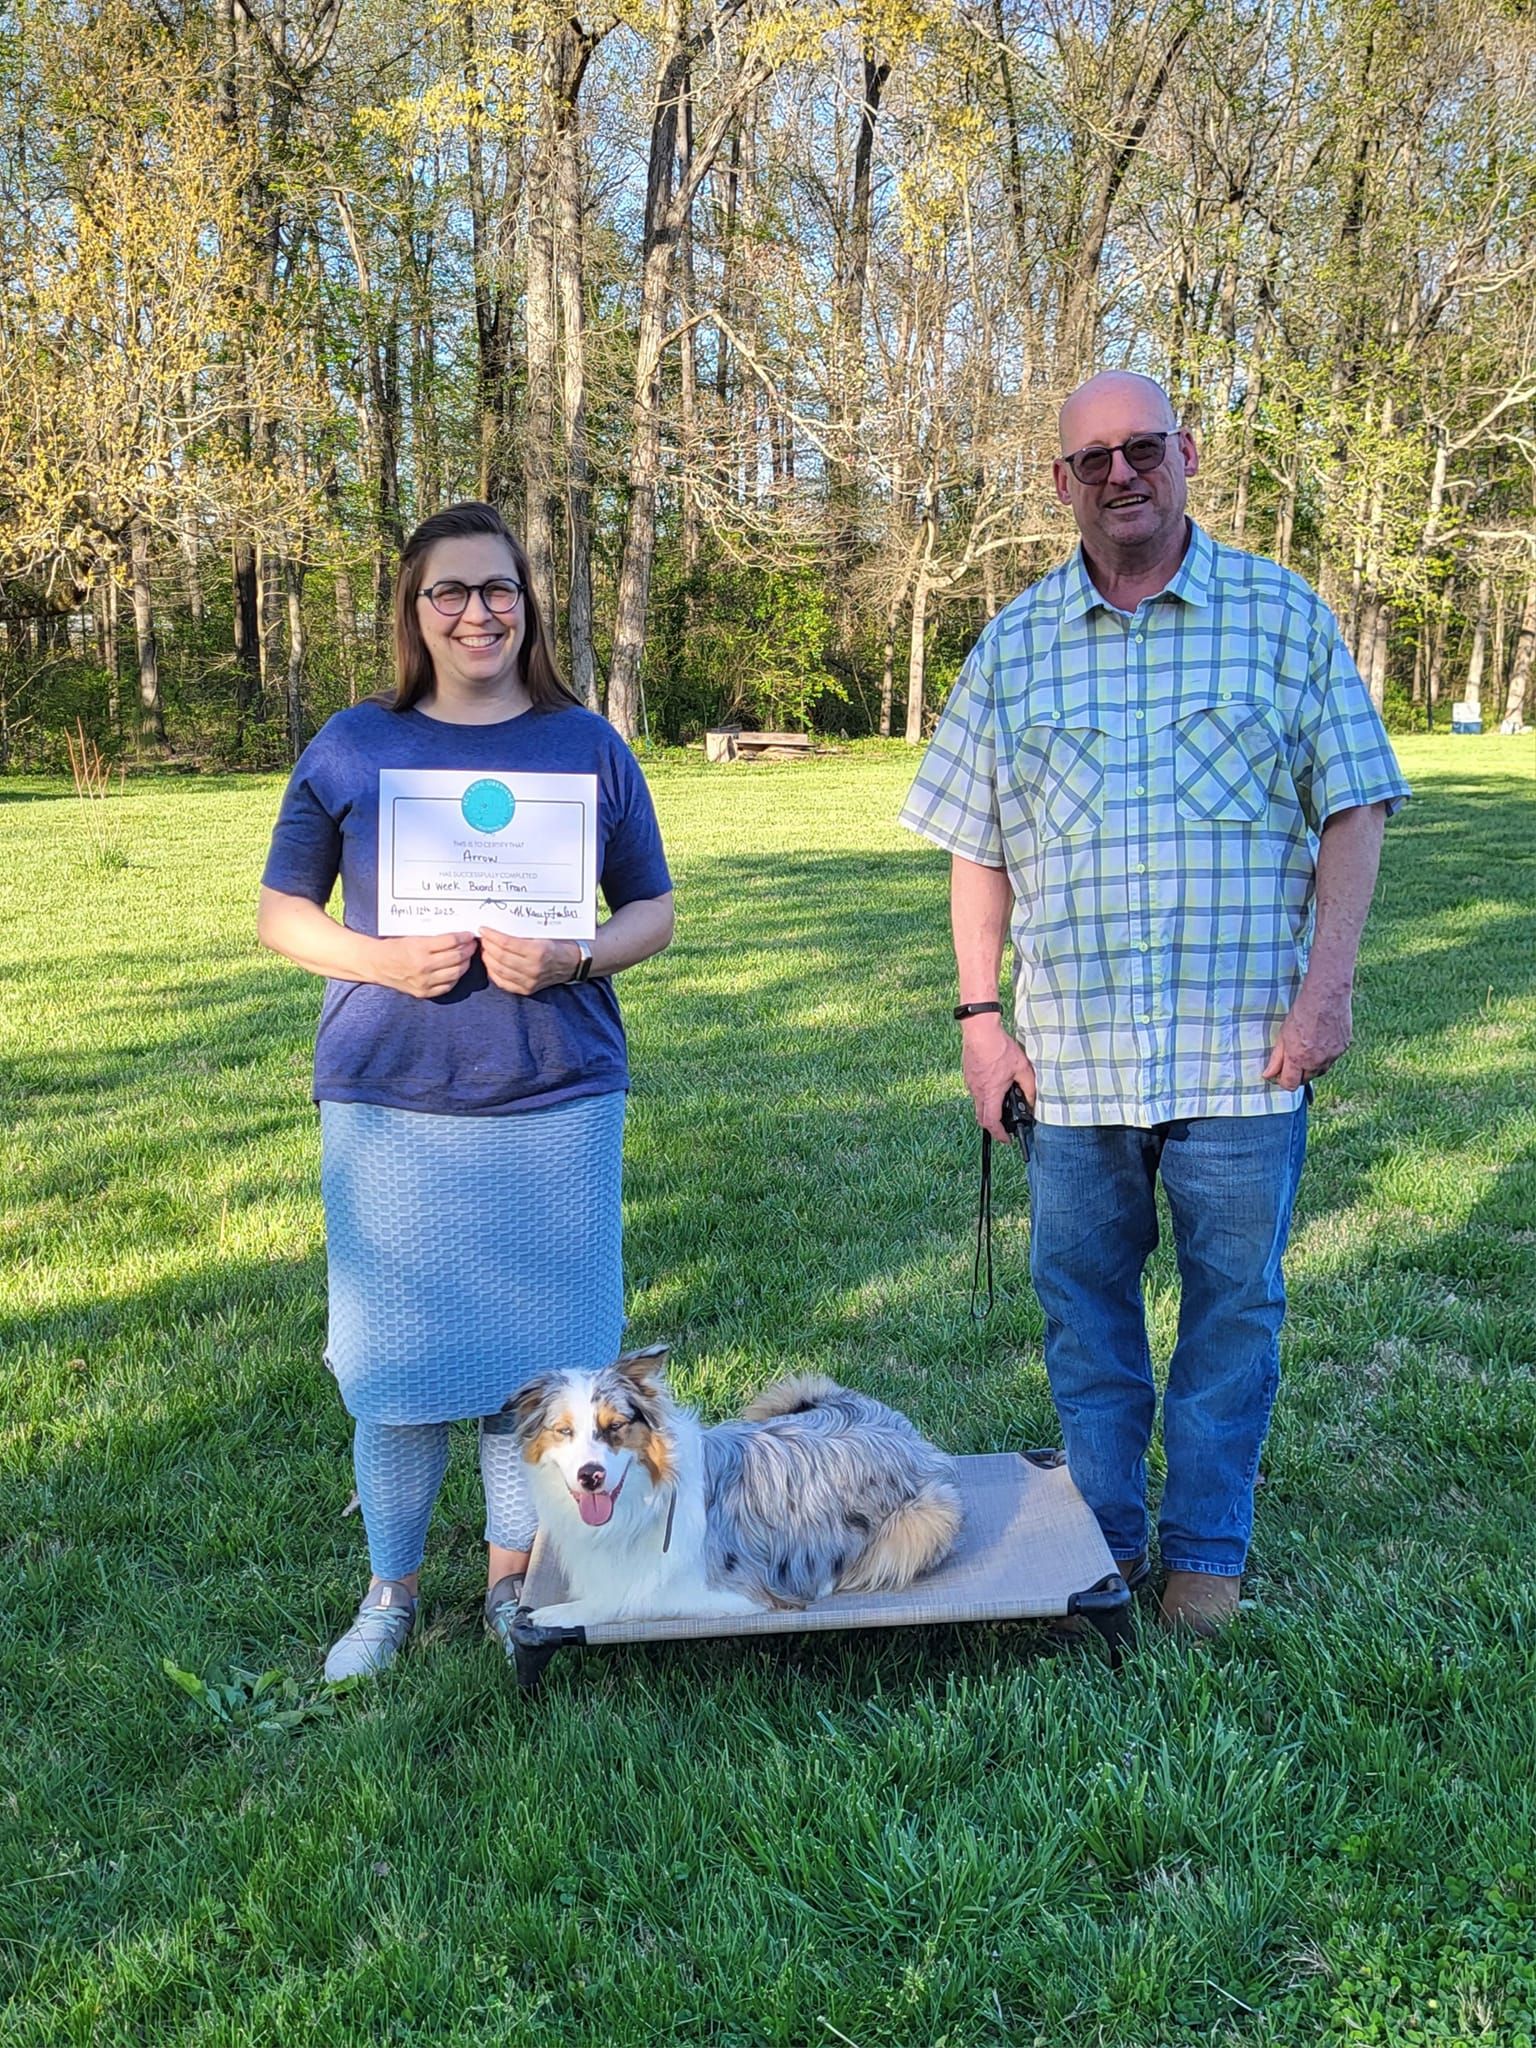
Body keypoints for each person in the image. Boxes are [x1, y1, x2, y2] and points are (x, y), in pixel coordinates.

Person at [900, 372, 1409, 1634]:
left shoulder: (1281, 617)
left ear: (1187, 451)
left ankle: (1208, 1556)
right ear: (1061, 482)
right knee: (1087, 1321)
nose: (1119, 474)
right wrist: (980, 1018)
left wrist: (1327, 993)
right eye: (1092, 459)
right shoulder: (1014, 642)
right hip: (1070, 1068)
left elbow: (1356, 802)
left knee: (1235, 1313)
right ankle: (1104, 1541)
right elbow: (977, 843)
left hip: (1247, 1058)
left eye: (1142, 449)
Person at [259, 502, 674, 1680]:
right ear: (414, 609)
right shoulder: (352, 743)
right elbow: (279, 914)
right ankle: (389, 1595)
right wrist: (384, 956)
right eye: (450, 591)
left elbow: (655, 909)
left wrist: (579, 952)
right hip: (392, 1092)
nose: (478, 611)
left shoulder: (586, 743)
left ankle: (510, 1585)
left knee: (535, 1373)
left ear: (528, 604)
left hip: (556, 1092)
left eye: (499, 589)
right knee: (394, 1373)